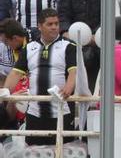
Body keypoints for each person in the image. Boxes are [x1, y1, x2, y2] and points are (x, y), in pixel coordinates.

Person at [2, 8, 76, 146]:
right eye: (50, 24)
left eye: (56, 23)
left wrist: (68, 88)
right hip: (35, 112)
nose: (54, 27)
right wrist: (4, 93)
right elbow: (16, 73)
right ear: (40, 26)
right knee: (34, 155)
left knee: (62, 155)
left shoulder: (69, 46)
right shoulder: (29, 48)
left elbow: (74, 72)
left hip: (61, 111)